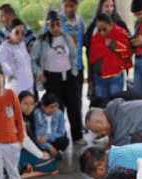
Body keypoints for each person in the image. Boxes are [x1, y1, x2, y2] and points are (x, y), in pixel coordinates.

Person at [31, 10, 82, 145]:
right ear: (47, 26)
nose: (55, 28)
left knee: (73, 106)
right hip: (51, 78)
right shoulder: (42, 41)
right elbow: (33, 59)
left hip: (68, 76)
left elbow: (73, 54)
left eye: (58, 24)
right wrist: (39, 73)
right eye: (52, 25)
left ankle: (77, 136)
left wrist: (74, 71)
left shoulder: (66, 38)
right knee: (56, 109)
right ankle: (60, 138)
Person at [85, 0, 130, 97]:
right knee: (102, 106)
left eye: (112, 6)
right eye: (107, 6)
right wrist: (90, 79)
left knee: (115, 105)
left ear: (111, 24)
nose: (110, 9)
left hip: (115, 76)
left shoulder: (120, 27)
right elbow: (91, 57)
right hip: (98, 77)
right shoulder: (94, 34)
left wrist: (112, 44)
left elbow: (127, 51)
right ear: (100, 7)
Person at [59, 0, 87, 143]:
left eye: (72, 6)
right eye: (66, 6)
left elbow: (85, 42)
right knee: (60, 102)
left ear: (76, 5)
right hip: (59, 68)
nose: (69, 9)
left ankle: (77, 133)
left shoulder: (80, 22)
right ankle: (60, 133)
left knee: (76, 101)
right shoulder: (56, 20)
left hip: (77, 68)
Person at [17, 91, 58, 178]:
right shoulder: (15, 117)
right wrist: (40, 154)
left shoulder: (26, 116)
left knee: (50, 158)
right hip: (15, 153)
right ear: (18, 103)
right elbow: (24, 140)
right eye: (25, 103)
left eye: (32, 104)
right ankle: (26, 172)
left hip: (21, 151)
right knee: (52, 164)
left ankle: (25, 169)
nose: (29, 107)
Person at [0, 18, 34, 95]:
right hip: (15, 89)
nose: (20, 35)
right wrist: (9, 73)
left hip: (28, 88)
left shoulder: (22, 44)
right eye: (17, 32)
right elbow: (0, 63)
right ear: (10, 32)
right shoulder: (5, 46)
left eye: (23, 33)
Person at [34, 92, 70, 159]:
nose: (54, 109)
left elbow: (61, 132)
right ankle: (53, 152)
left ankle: (49, 153)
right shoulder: (36, 114)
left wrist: (47, 137)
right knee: (35, 143)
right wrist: (49, 146)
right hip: (41, 142)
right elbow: (38, 137)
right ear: (43, 106)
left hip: (52, 139)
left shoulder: (59, 113)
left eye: (56, 106)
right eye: (51, 107)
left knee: (65, 140)